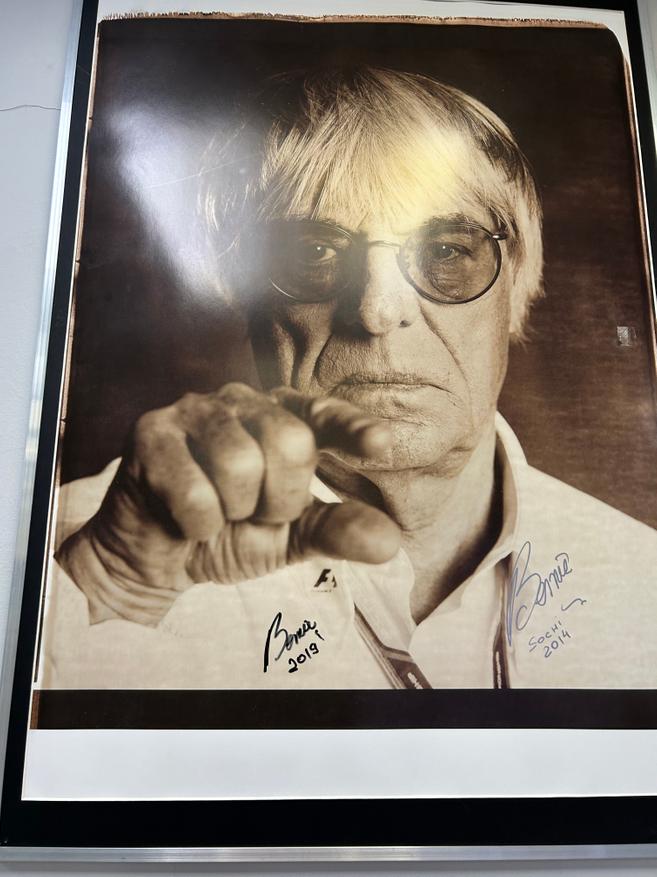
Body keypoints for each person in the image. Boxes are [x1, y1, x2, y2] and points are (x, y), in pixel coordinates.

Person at [40, 67, 657, 690]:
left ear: (517, 289)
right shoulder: (87, 568)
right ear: (244, 296)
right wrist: (110, 589)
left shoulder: (643, 583)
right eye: (314, 253)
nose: (377, 310)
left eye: (446, 250)